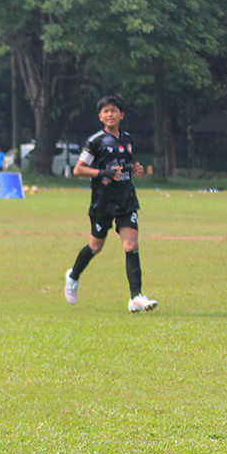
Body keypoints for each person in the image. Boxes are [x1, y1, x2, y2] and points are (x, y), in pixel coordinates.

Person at [64, 94, 157, 313]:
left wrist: (135, 169)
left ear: (121, 115)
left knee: (131, 246)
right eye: (105, 111)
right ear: (100, 116)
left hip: (126, 198)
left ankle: (136, 297)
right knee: (95, 246)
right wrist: (102, 173)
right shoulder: (95, 141)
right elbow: (78, 170)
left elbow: (124, 165)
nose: (110, 114)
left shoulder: (127, 139)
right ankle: (73, 276)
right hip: (102, 201)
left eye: (113, 110)